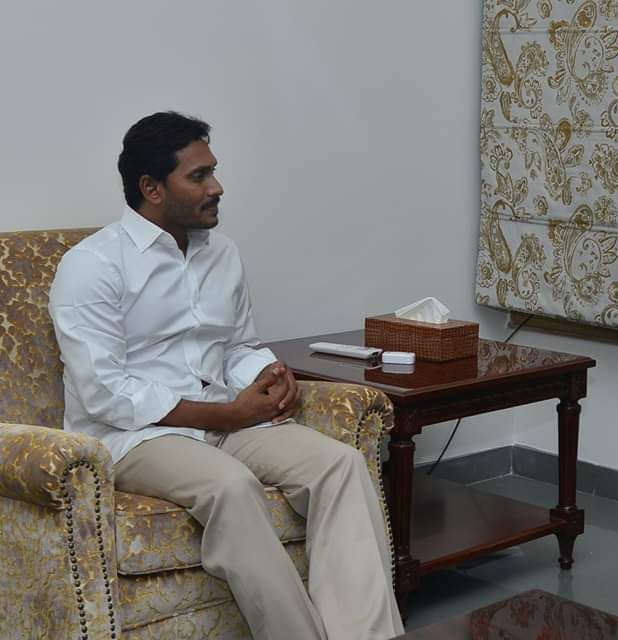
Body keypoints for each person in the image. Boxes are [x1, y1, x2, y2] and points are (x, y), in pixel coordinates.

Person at [48, 112, 403, 640]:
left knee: (342, 464)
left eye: (213, 171)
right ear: (151, 188)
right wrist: (230, 412)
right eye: (199, 176)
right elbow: (106, 394)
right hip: (136, 437)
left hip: (224, 420)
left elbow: (237, 345)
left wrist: (269, 371)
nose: (217, 187)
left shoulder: (223, 254)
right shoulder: (92, 267)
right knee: (232, 487)